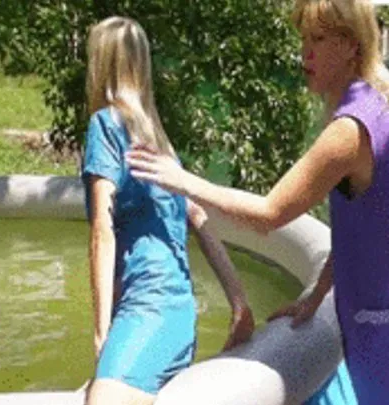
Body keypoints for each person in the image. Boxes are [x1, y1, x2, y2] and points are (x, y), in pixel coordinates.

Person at [125, 0, 389, 403]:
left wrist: (182, 181)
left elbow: (269, 214)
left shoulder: (352, 129)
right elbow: (363, 227)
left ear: (352, 45)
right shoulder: (376, 106)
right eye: (304, 39)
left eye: (319, 39)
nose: (305, 52)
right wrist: (315, 296)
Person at [81, 16, 255, 405]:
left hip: (147, 305)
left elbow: (101, 230)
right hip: (178, 316)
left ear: (100, 64)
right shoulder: (159, 142)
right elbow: (198, 218)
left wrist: (101, 333)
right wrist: (239, 302)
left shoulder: (105, 125)